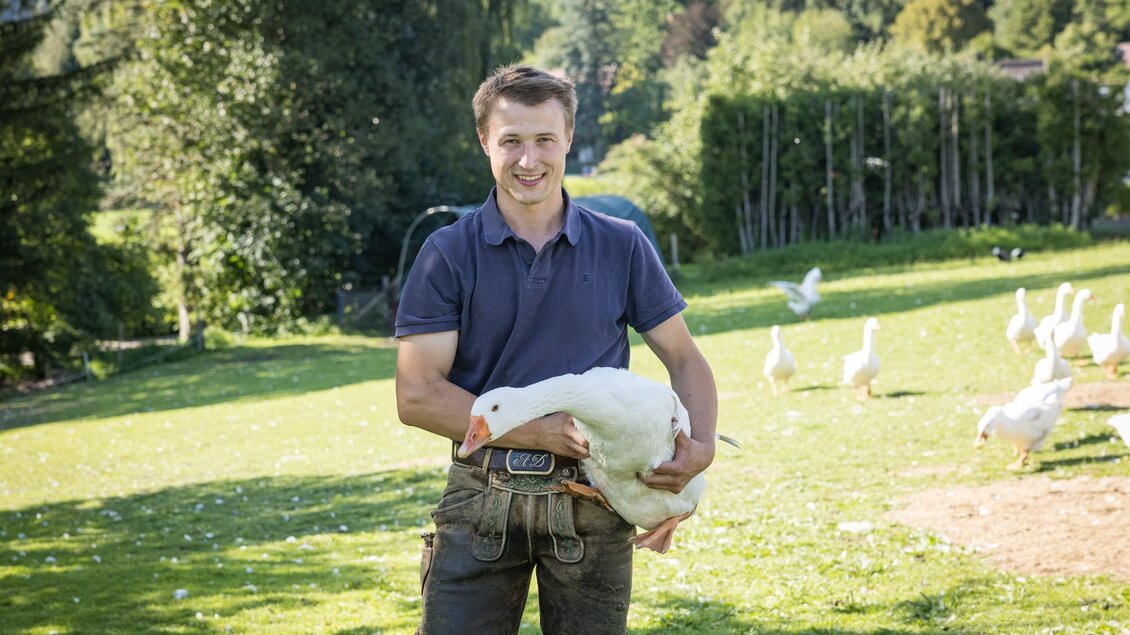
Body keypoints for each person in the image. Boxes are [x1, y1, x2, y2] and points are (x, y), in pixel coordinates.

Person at [394, 64, 717, 635]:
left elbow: (685, 360)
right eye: (511, 141)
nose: (529, 160)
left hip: (595, 500)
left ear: (569, 138)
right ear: (484, 143)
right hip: (480, 502)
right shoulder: (446, 253)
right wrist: (534, 431)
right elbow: (417, 395)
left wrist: (702, 449)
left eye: (545, 139)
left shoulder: (622, 244)